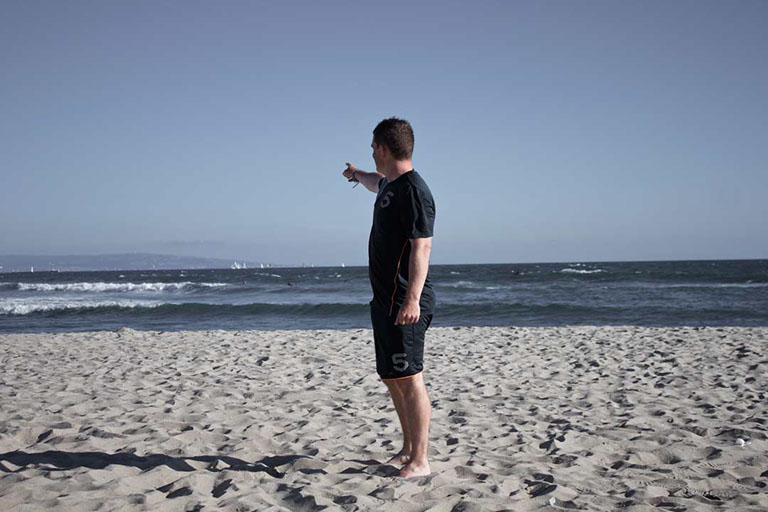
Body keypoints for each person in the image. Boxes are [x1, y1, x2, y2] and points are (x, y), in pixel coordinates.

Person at [341, 117, 436, 479]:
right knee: (393, 377)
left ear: (383, 148)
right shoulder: (389, 186)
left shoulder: (414, 191)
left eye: (372, 147)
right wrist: (355, 174)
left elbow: (421, 247)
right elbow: (373, 181)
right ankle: (408, 448)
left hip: (404, 302)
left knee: (410, 378)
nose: (371, 153)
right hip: (384, 300)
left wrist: (412, 300)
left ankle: (421, 460)